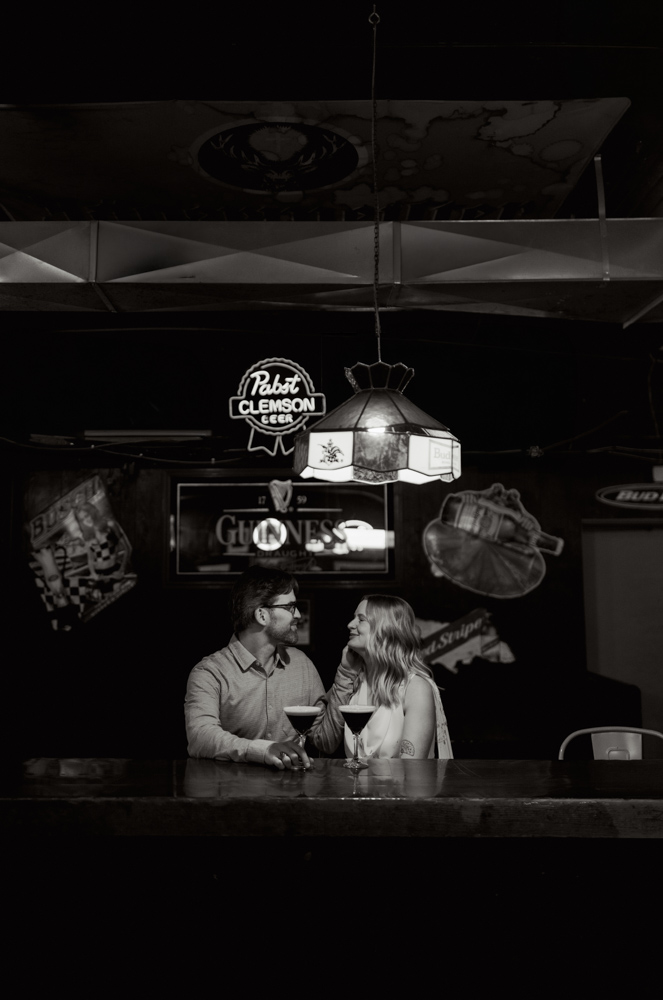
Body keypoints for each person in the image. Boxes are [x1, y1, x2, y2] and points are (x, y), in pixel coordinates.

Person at [184, 566, 355, 768]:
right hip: (232, 786)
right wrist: (262, 750)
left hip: (293, 786)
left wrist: (346, 674)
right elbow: (200, 737)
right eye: (290, 607)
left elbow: (324, 741)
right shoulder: (210, 672)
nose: (298, 614)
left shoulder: (301, 665)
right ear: (262, 615)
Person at [341, 594, 453, 760]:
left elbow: (412, 768)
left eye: (361, 619)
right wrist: (344, 672)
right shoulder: (354, 681)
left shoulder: (415, 688)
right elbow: (323, 738)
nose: (350, 624)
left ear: (385, 629)